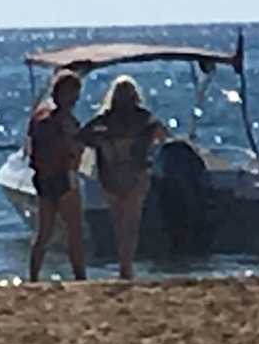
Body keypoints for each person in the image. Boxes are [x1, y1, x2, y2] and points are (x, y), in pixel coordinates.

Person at [83, 75, 167, 281]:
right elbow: (163, 134)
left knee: (119, 220)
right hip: (135, 173)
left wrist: (104, 141)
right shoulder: (143, 117)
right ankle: (126, 265)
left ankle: (125, 265)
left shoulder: (105, 118)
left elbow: (82, 136)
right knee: (131, 221)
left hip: (110, 173)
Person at [27, 70, 87, 282]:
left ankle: (33, 276)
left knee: (44, 232)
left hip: (43, 177)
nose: (75, 99)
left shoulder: (39, 116)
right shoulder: (63, 119)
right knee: (74, 231)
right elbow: (73, 149)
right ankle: (80, 275)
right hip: (62, 175)